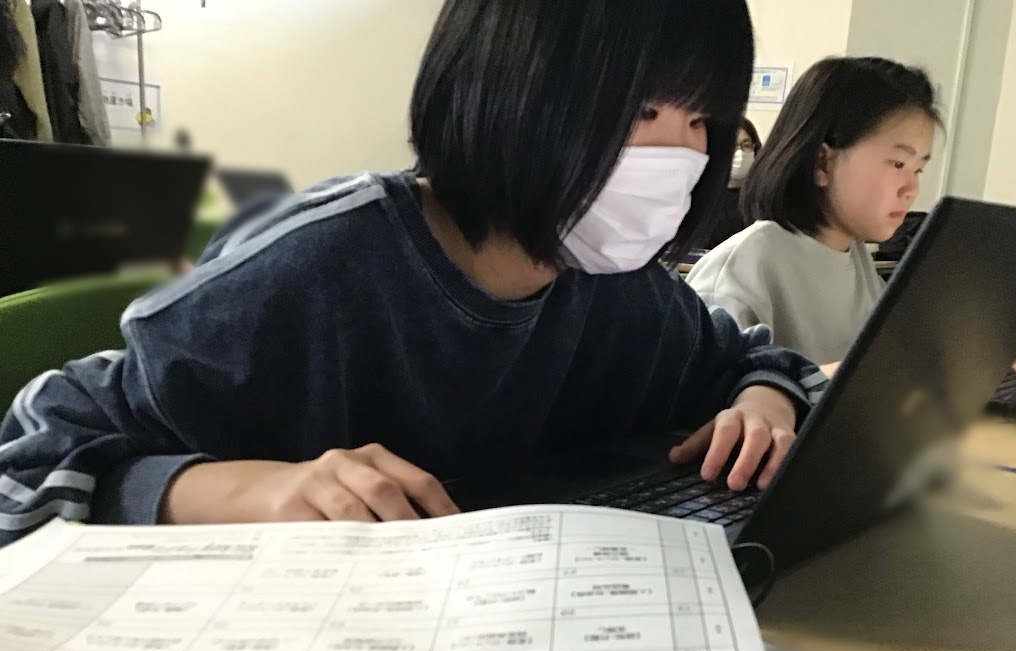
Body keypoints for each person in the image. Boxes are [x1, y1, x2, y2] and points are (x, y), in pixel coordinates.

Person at [0, 0, 825, 546]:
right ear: (512, 85)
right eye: (642, 109)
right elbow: (34, 454)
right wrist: (249, 492)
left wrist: (764, 403)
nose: (679, 154)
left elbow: (749, 359)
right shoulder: (318, 267)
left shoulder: (625, 288)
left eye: (701, 120)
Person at [688, 57, 938, 364]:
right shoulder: (742, 274)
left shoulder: (854, 257)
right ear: (822, 162)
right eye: (898, 164)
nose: (912, 189)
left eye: (918, 170)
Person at [696, 118, 762, 250]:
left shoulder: (763, 197)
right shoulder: (701, 200)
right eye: (732, 147)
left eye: (746, 145)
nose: (740, 153)